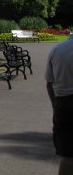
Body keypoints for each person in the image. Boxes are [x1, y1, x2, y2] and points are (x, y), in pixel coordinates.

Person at [45, 34, 73, 175]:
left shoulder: (56, 49)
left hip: (64, 104)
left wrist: (55, 105)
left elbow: (49, 84)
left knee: (67, 156)